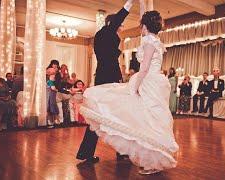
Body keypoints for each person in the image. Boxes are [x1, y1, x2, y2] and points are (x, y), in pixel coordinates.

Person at [79, 6, 179, 175]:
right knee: (133, 115)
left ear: (145, 27)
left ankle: (142, 156)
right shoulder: (153, 41)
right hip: (137, 80)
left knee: (136, 117)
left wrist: (135, 84)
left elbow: (145, 67)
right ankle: (142, 156)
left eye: (141, 26)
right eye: (119, 26)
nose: (121, 28)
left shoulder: (148, 41)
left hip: (145, 81)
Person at [76, 0, 136, 164]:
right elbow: (118, 18)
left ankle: (87, 153)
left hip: (105, 79)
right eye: (120, 25)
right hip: (108, 82)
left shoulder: (104, 36)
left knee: (101, 116)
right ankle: (121, 151)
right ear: (113, 23)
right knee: (114, 115)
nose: (121, 28)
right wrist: (130, 3)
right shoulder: (107, 32)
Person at [0, 65, 17, 131]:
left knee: (13, 102)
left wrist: (8, 97)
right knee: (1, 104)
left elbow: (8, 92)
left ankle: (10, 123)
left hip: (4, 98)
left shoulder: (2, 80)